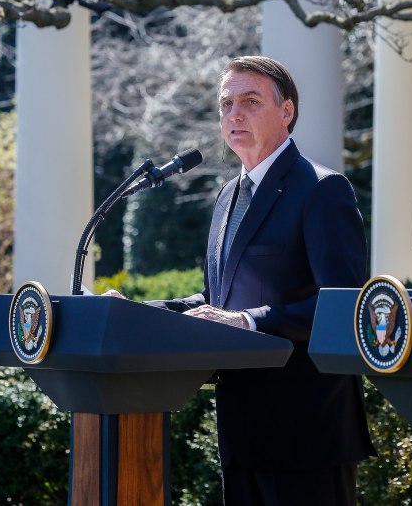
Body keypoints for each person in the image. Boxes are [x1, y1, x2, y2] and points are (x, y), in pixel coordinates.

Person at [120, 56, 375, 504]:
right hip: (241, 430)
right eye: (225, 104)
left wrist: (247, 321)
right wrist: (134, 312)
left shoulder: (321, 189)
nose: (233, 114)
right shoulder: (226, 197)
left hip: (308, 432)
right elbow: (214, 299)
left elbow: (345, 305)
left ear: (287, 112)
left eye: (250, 101)